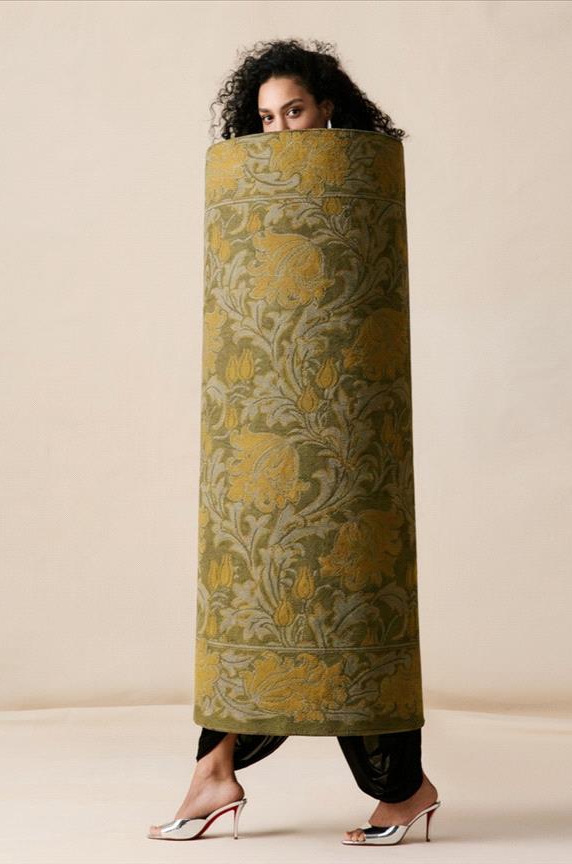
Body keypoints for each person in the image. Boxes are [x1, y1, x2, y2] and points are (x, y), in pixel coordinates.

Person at [147, 38, 440, 846]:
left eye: (295, 112)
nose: (280, 130)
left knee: (352, 593)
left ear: (328, 108)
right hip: (260, 422)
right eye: (266, 119)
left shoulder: (360, 181)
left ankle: (403, 789)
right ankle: (214, 771)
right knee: (257, 590)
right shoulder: (254, 194)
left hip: (352, 422)